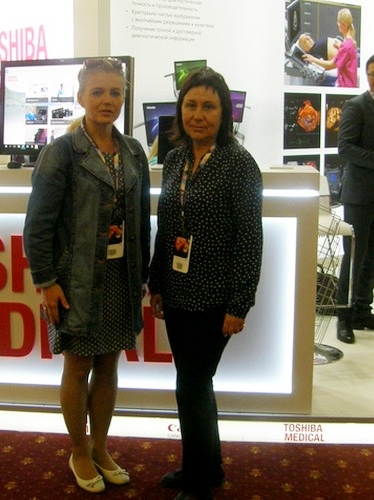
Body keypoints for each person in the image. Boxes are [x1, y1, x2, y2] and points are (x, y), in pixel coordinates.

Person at [23, 57, 151, 494]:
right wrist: (46, 281)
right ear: (80, 97)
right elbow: (37, 225)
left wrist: (144, 276)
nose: (106, 100)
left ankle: (100, 447)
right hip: (74, 280)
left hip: (121, 276)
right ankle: (78, 450)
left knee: (109, 365)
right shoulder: (61, 153)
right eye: (97, 92)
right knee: (78, 367)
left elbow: (141, 220)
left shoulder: (133, 152)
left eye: (115, 92)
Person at [148, 67, 263, 500]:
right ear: (180, 109)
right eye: (191, 105)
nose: (198, 115)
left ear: (224, 113)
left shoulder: (240, 164)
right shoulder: (175, 159)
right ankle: (208, 467)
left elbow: (250, 238)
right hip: (178, 291)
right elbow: (167, 226)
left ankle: (198, 485)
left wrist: (239, 303)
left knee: (192, 386)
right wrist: (157, 282)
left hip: (215, 296)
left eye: (209, 106)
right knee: (195, 383)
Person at [335, 51, 374, 344]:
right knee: (354, 257)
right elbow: (345, 148)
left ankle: (362, 311)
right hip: (360, 196)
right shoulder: (356, 106)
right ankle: (344, 316)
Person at [302, 8, 358, 88]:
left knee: (321, 84)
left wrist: (313, 59)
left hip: (345, 86)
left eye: (338, 22)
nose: (337, 23)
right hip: (347, 82)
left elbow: (330, 65)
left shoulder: (346, 46)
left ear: (344, 25)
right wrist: (340, 47)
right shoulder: (349, 42)